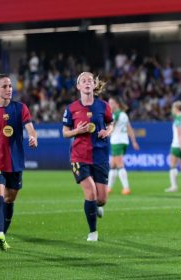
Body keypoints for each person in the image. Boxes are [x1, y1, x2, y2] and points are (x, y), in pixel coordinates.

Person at [0, 74, 38, 250]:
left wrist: (33, 138)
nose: (9, 89)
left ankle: (3, 233)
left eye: (10, 86)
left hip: (15, 163)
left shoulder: (20, 108)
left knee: (9, 199)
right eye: (4, 86)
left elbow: (30, 129)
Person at [62, 72, 113, 242]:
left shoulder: (104, 106)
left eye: (90, 80)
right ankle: (93, 232)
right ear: (78, 86)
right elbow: (65, 133)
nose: (87, 83)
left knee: (102, 199)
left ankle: (96, 207)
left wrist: (108, 131)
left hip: (100, 155)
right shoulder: (71, 108)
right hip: (79, 156)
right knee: (90, 192)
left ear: (93, 85)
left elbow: (110, 123)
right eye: (83, 81)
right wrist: (77, 131)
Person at [107, 96, 139, 195]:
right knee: (113, 165)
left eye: (111, 103)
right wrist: (133, 141)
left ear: (117, 104)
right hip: (124, 141)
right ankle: (109, 188)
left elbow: (112, 126)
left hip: (117, 141)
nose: (109, 105)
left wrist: (105, 133)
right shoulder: (124, 114)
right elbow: (129, 129)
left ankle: (126, 188)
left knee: (119, 165)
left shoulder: (116, 114)